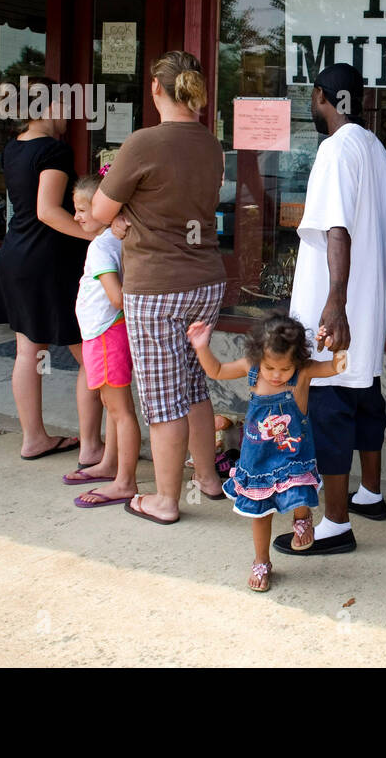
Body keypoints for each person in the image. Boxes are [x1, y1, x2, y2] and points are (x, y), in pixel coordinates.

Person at [90, 51, 227, 525]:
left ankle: (165, 500)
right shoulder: (211, 145)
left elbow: (101, 214)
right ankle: (208, 479)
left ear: (156, 89)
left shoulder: (143, 142)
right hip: (206, 280)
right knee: (194, 384)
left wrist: (126, 215)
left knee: (164, 398)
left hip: (156, 287)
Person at [276, 63, 386, 555]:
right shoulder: (377, 149)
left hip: (341, 307)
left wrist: (334, 302)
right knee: (366, 397)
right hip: (369, 303)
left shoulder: (334, 148)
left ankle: (337, 523)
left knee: (329, 406)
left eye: (312, 94)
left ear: (321, 96)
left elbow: (337, 229)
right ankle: (371, 493)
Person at [0, 76, 103, 467]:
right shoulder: (53, 151)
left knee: (28, 350)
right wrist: (90, 233)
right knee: (90, 354)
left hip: (15, 256)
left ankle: (34, 438)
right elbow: (48, 210)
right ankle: (91, 447)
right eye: (62, 105)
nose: (68, 113)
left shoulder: (12, 148)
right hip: (49, 261)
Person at [188, 314, 348, 591]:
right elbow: (215, 371)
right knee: (260, 514)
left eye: (284, 369)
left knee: (298, 486)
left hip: (293, 453)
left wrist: (336, 345)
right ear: (257, 356)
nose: (276, 375)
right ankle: (262, 561)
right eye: (269, 367)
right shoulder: (251, 368)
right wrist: (201, 346)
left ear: (297, 360)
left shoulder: (304, 372)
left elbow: (338, 367)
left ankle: (302, 519)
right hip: (258, 458)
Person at [65, 170, 140, 509]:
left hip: (107, 334)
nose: (76, 217)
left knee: (120, 410)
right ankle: (110, 464)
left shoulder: (101, 247)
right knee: (113, 407)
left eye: (82, 209)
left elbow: (116, 297)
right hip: (105, 334)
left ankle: (125, 481)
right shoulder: (111, 240)